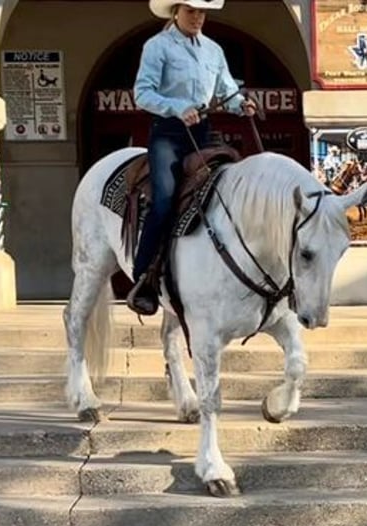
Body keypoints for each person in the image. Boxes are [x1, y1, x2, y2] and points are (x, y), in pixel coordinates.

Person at [126, 0, 258, 315]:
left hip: (204, 131)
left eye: (202, 11)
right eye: (191, 11)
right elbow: (142, 93)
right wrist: (176, 108)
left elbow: (228, 89)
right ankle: (144, 277)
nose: (198, 17)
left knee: (231, 189)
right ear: (176, 11)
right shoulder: (157, 46)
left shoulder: (213, 50)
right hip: (168, 133)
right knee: (164, 200)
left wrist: (242, 105)